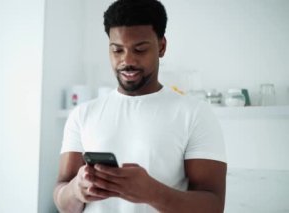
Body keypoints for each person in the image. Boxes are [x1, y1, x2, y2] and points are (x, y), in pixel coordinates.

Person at [53, 0, 227, 212]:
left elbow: (213, 206)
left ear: (161, 47)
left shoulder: (195, 114)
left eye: (140, 49)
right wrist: (76, 190)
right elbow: (62, 199)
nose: (127, 60)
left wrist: (152, 192)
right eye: (117, 50)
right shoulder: (82, 114)